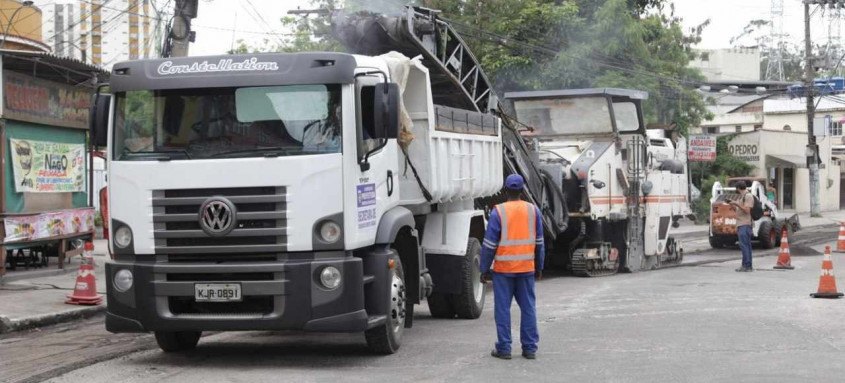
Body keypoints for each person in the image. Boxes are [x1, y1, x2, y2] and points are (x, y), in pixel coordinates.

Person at [480, 174, 545, 360]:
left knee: (502, 310)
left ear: (505, 190)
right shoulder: (533, 211)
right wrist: (539, 266)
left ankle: (505, 348)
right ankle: (530, 348)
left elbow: (489, 245)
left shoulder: (498, 212)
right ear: (523, 190)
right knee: (528, 308)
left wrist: (484, 269)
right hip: (526, 269)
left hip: (504, 271)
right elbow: (540, 243)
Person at [730, 181, 755, 272]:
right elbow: (740, 210)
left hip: (745, 224)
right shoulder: (743, 197)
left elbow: (747, 210)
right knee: (746, 246)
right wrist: (733, 205)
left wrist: (737, 204)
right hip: (741, 224)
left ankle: (747, 266)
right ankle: (746, 265)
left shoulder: (748, 196)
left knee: (745, 246)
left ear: (738, 188)